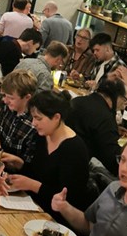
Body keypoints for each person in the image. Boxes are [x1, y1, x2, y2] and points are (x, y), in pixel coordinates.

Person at [8, 90, 91, 225]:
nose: (33, 123)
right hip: (32, 205)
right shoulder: (43, 136)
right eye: (33, 117)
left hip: (56, 219)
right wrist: (19, 164)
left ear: (56, 117)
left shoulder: (74, 149)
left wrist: (33, 185)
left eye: (38, 118)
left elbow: (68, 200)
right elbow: (38, 173)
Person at [66, 78, 126, 175]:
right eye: (124, 100)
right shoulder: (105, 118)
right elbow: (112, 161)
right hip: (74, 169)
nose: (123, 106)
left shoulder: (78, 100)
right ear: (117, 97)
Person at [0, 69, 39, 170]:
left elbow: (28, 165)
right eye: (4, 95)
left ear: (27, 97)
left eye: (11, 98)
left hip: (13, 171)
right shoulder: (7, 108)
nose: (5, 100)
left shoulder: (35, 124)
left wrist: (16, 161)